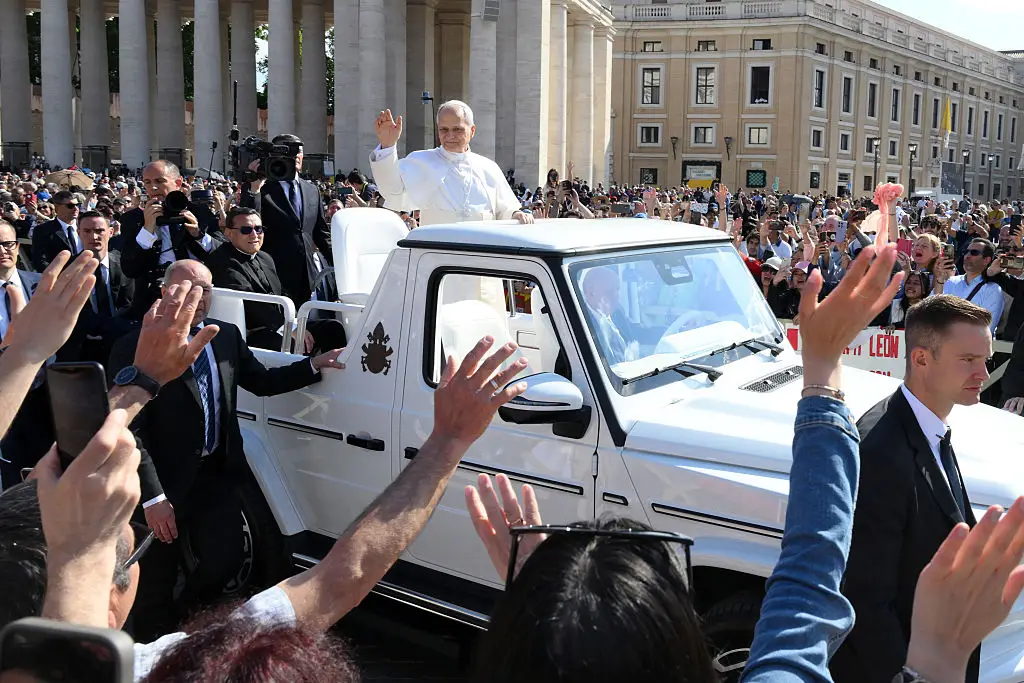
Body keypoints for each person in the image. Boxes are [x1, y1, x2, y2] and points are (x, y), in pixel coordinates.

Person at [464, 225, 1024, 683]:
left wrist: (541, 601)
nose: (978, 373)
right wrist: (822, 371)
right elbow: (809, 580)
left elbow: (808, 583)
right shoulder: (883, 442)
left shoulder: (933, 427)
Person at [10, 332, 528, 680]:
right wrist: (447, 442)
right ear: (108, 606)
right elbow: (342, 575)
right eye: (128, 548)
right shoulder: (180, 665)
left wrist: (138, 382)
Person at [107, 258, 345, 641]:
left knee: (226, 561)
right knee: (153, 584)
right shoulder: (134, 347)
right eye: (186, 288)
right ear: (165, 291)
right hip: (160, 485)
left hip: (213, 476)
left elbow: (262, 381)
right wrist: (153, 500)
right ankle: (153, 654)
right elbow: (129, 429)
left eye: (205, 289)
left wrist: (313, 365)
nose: (197, 297)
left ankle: (186, 632)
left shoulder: (226, 336)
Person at [831, 295, 992, 683]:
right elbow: (867, 600)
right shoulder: (880, 452)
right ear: (921, 359)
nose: (983, 373)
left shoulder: (928, 425)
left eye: (984, 359)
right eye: (968, 360)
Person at [369, 101, 534, 226]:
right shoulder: (421, 161)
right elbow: (392, 191)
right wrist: (388, 146)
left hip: (481, 258)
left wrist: (515, 214)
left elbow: (504, 210)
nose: (450, 136)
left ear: (472, 131)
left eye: (457, 129)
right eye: (444, 130)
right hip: (438, 260)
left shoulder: (488, 167)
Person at [208, 207, 346, 353]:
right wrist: (290, 327)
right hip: (249, 331)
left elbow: (281, 292)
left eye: (259, 229)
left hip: (278, 323)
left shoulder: (265, 257)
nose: (254, 234)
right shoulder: (221, 261)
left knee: (332, 328)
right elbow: (252, 303)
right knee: (295, 343)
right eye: (246, 230)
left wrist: (295, 321)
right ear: (228, 233)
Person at [120, 161, 223, 319]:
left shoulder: (200, 212)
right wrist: (147, 231)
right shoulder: (132, 219)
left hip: (198, 298)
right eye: (147, 182)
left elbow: (221, 254)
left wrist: (198, 234)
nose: (153, 188)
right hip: (151, 304)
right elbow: (130, 268)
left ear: (178, 182)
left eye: (160, 181)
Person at [239, 134, 333, 307]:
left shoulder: (312, 190)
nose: (295, 155)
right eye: (288, 150)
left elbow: (321, 234)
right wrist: (254, 188)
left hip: (308, 277)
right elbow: (247, 221)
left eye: (298, 151)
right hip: (274, 276)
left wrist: (342, 263)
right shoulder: (261, 187)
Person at [60, 211, 136, 364]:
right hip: (82, 350)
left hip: (121, 343)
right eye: (87, 231)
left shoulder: (125, 264)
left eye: (99, 231)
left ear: (111, 232)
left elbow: (130, 304)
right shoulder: (67, 270)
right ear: (79, 233)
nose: (94, 237)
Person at [932, 237, 1004, 334]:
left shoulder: (993, 289)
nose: (967, 256)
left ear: (986, 260)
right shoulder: (949, 281)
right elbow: (930, 313)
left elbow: (985, 331)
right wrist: (940, 279)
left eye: (974, 253)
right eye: (966, 252)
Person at [30, 190, 82, 270]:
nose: (75, 208)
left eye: (77, 205)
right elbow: (39, 261)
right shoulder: (43, 230)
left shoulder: (86, 226)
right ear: (57, 207)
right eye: (70, 206)